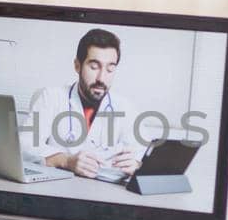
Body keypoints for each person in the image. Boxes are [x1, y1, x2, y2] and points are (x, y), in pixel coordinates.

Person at [25, 27, 143, 179]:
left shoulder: (125, 107)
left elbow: (141, 156)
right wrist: (66, 161)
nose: (101, 78)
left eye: (110, 69)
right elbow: (25, 146)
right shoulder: (51, 97)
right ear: (77, 65)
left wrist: (137, 165)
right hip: (56, 189)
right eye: (94, 67)